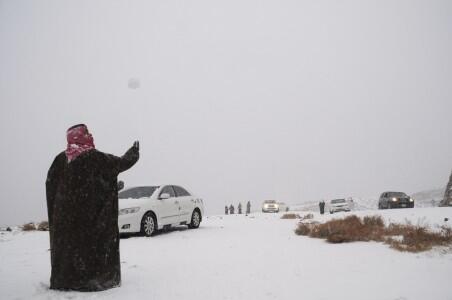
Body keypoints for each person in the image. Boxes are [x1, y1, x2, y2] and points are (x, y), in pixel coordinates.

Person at [46, 124, 139, 291]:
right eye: (87, 132)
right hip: (89, 222)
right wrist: (133, 152)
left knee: (72, 251)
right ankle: (89, 279)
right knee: (90, 251)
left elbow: (52, 186)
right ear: (79, 137)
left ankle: (67, 279)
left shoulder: (60, 160)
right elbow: (120, 163)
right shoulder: (94, 158)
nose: (91, 135)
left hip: (66, 224)